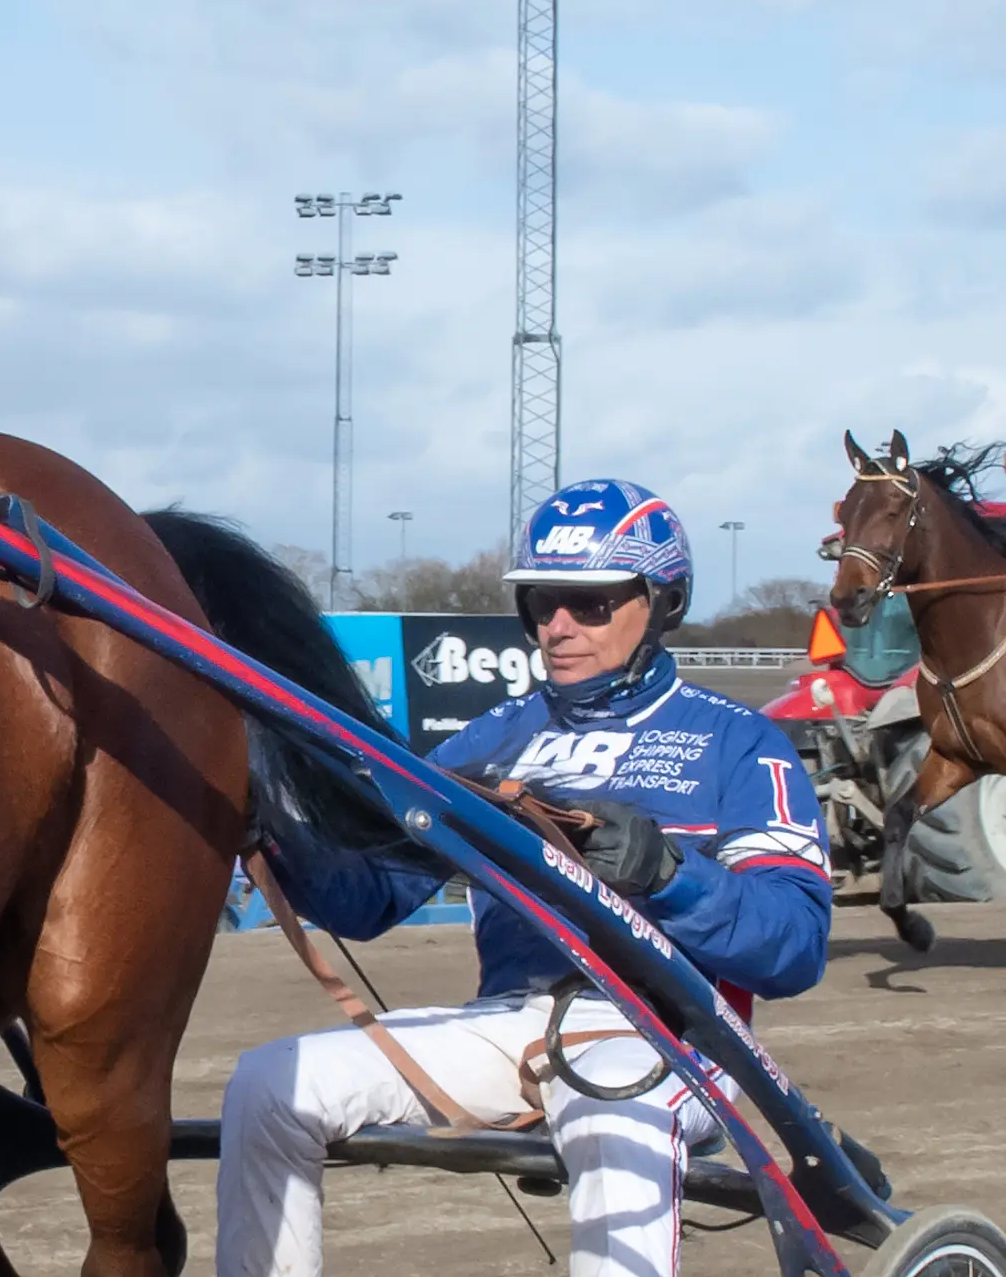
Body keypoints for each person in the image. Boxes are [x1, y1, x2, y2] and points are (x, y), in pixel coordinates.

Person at [218, 479, 832, 1277]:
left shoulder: (739, 743)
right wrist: (273, 834)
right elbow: (370, 899)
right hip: (510, 1025)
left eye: (592, 603)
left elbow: (795, 947)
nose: (559, 626)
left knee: (614, 1112)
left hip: (668, 1037)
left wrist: (670, 877)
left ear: (665, 601)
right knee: (268, 1086)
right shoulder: (488, 740)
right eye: (541, 602)